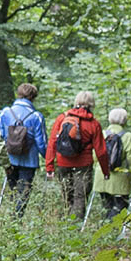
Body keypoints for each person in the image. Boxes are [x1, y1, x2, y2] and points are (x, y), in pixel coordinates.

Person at [45, 91, 110, 219]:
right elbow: (101, 151)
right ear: (91, 104)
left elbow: (52, 143)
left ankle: (66, 222)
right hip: (83, 165)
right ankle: (75, 226)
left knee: (66, 193)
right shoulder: (94, 124)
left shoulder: (62, 118)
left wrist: (49, 167)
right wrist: (105, 171)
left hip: (63, 162)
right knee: (80, 196)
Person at [0, 83, 48, 217]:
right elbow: (41, 142)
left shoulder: (5, 112)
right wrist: (48, 160)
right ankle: (17, 220)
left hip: (10, 159)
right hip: (29, 161)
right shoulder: (36, 116)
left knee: (13, 190)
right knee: (23, 193)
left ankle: (11, 219)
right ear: (33, 97)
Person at [93, 108, 131, 220]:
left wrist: (97, 168)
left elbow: (95, 156)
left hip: (102, 177)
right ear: (124, 120)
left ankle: (107, 229)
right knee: (120, 208)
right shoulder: (128, 136)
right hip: (120, 179)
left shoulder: (102, 134)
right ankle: (114, 230)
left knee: (107, 206)